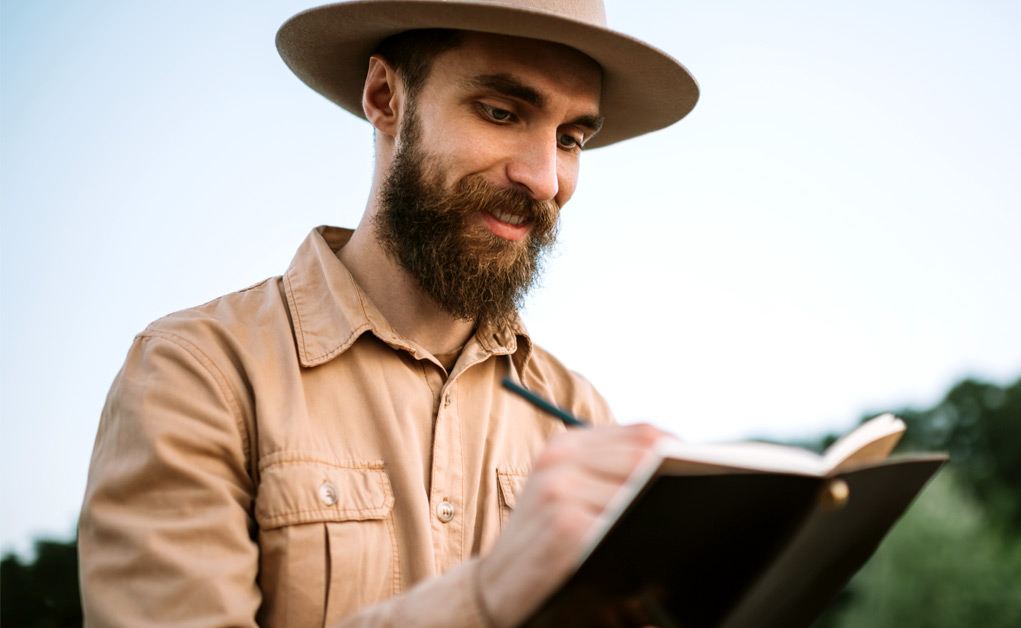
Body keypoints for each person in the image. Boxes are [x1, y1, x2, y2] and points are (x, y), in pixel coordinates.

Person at [78, 1, 699, 627]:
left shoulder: (581, 418)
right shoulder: (199, 374)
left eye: (570, 140)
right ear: (385, 98)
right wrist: (487, 597)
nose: (544, 179)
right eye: (501, 113)